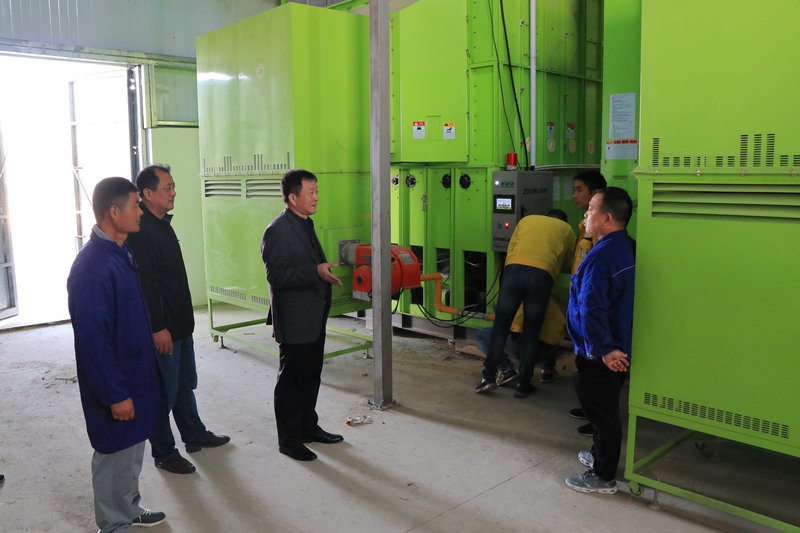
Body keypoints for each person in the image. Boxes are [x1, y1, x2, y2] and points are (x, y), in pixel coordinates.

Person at [67, 177, 166, 531]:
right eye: (135, 205)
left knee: (133, 447)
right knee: (114, 453)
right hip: (117, 383)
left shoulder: (120, 252)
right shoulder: (92, 268)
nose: (140, 212)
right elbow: (92, 341)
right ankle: (113, 525)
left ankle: (129, 508)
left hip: (135, 374)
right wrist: (114, 394)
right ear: (113, 212)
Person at [127, 165, 230, 475]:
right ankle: (164, 452)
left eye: (173, 187)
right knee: (163, 394)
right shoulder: (141, 231)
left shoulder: (162, 223)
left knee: (184, 385)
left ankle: (194, 434)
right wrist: (158, 327)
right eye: (168, 188)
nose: (174, 193)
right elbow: (147, 285)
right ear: (147, 193)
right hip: (165, 330)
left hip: (181, 324)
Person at [261, 169, 344, 461]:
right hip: (295, 318)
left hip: (313, 314)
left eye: (317, 191)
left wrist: (319, 273)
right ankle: (289, 440)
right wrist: (315, 271)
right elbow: (275, 276)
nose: (317, 197)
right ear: (293, 197)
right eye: (311, 192)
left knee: (310, 376)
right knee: (291, 382)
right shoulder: (278, 230)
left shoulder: (305, 224)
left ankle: (308, 427)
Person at [564, 187, 635, 495]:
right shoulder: (627, 247)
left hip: (602, 351)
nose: (585, 214)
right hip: (618, 345)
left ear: (606, 218)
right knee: (604, 407)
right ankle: (598, 455)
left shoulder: (600, 257)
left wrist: (603, 350)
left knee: (601, 413)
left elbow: (592, 308)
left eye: (591, 208)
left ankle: (604, 476)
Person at [476, 210, 576, 398]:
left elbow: (511, 247)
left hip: (514, 271)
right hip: (542, 276)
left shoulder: (527, 220)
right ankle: (523, 385)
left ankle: (487, 378)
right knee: (531, 332)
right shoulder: (567, 229)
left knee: (500, 327)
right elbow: (569, 260)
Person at [569, 169, 607, 436]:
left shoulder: (598, 233)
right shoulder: (584, 226)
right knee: (584, 366)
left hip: (590, 309)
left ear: (594, 194)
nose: (574, 195)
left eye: (579, 190)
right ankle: (590, 409)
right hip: (580, 307)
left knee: (594, 369)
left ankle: (598, 420)